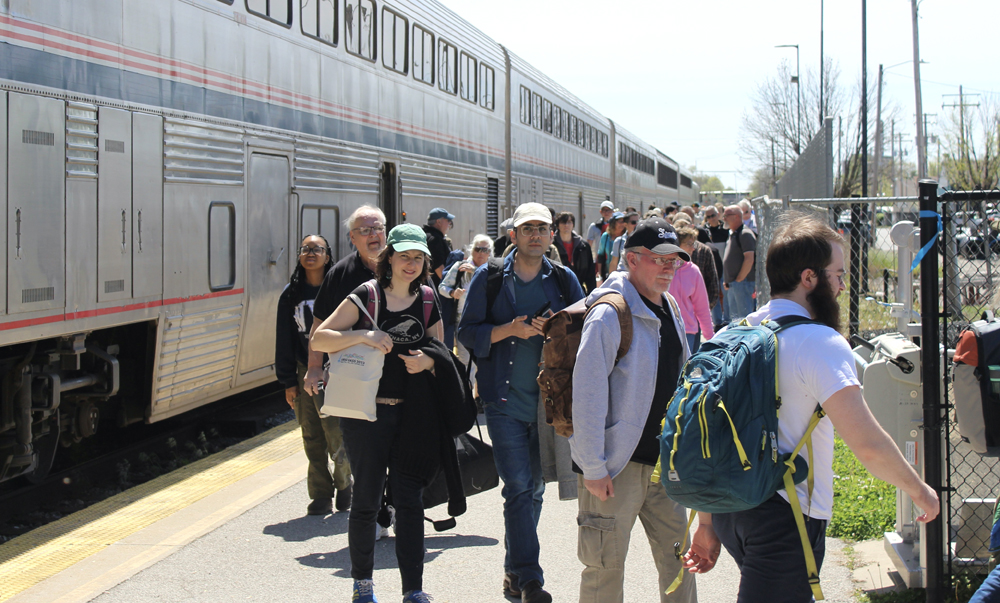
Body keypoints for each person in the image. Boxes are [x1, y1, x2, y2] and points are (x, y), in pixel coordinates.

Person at [690, 215, 939, 603]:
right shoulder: (819, 341)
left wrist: (706, 522)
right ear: (809, 278)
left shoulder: (733, 333)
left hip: (729, 507)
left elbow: (705, 429)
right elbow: (868, 443)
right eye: (837, 274)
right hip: (784, 513)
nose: (842, 285)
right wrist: (920, 491)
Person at [570, 218, 710, 603]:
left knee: (679, 567)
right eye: (659, 259)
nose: (669, 268)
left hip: (664, 468)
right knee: (604, 571)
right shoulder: (609, 314)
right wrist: (594, 468)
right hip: (616, 469)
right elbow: (586, 395)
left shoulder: (670, 307)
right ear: (632, 259)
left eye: (675, 261)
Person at [312, 224, 453, 603]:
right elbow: (320, 338)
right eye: (404, 255)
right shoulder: (366, 296)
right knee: (367, 501)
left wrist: (428, 362)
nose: (411, 263)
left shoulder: (426, 299)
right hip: (365, 416)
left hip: (413, 418)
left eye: (418, 257)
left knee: (409, 502)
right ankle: (363, 586)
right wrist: (363, 336)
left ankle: (413, 590)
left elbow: (444, 355)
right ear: (388, 257)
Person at [458, 202, 585, 603]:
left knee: (534, 489)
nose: (535, 235)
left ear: (551, 236)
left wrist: (556, 330)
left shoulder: (563, 280)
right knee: (517, 486)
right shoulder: (489, 278)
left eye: (542, 229)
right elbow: (467, 332)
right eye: (527, 228)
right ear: (513, 235)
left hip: (548, 403)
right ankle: (531, 579)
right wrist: (509, 330)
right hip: (502, 399)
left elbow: (585, 331)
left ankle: (514, 572)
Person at [275, 235, 353, 516]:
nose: (311, 254)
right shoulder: (291, 293)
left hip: (334, 370)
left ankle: (345, 486)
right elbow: (283, 338)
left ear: (327, 256)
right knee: (311, 434)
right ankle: (320, 494)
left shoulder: (338, 289)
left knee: (335, 431)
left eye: (317, 249)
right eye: (305, 249)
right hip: (302, 371)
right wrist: (287, 381)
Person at [304, 206, 387, 398]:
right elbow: (318, 323)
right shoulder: (339, 274)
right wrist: (314, 367)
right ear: (352, 238)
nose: (373, 234)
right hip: (352, 372)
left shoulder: (403, 267)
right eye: (365, 230)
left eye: (378, 228)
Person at [439, 234, 494, 375]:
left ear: (490, 253)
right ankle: (467, 394)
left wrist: (475, 272)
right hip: (463, 321)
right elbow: (442, 287)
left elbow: (496, 290)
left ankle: (481, 394)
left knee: (485, 361)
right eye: (478, 249)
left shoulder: (494, 270)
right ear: (471, 250)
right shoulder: (460, 267)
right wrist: (452, 293)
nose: (481, 253)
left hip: (487, 323)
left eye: (485, 250)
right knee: (465, 360)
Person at [669, 228, 715, 353]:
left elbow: (702, 307)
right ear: (677, 245)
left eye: (693, 244)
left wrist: (710, 337)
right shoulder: (663, 267)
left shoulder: (693, 271)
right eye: (689, 244)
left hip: (688, 331)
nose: (693, 248)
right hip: (665, 329)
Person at [722, 205, 756, 321]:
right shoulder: (734, 234)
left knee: (744, 319)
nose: (724, 218)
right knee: (736, 319)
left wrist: (739, 279)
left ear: (736, 217)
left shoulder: (745, 234)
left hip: (743, 284)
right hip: (734, 284)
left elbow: (749, 259)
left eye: (726, 215)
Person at [554, 211, 596, 293]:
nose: (566, 225)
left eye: (569, 222)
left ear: (573, 225)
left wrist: (592, 294)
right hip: (557, 291)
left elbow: (590, 273)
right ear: (558, 225)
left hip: (579, 289)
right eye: (563, 222)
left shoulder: (583, 246)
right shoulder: (551, 246)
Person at [703, 206, 730, 326]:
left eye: (713, 215)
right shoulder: (705, 232)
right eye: (708, 217)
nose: (711, 219)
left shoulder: (725, 230)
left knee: (726, 294)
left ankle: (728, 319)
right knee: (714, 293)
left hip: (724, 266)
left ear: (718, 214)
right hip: (711, 267)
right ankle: (717, 322)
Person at [423, 207, 454, 285]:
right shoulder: (435, 239)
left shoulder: (425, 236)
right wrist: (449, 286)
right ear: (438, 222)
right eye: (448, 221)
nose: (449, 224)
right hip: (436, 287)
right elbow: (439, 268)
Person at [597, 212, 625, 280]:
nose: (622, 223)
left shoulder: (626, 237)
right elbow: (601, 255)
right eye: (619, 221)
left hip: (623, 273)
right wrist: (599, 272)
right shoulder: (606, 237)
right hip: (607, 273)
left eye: (623, 221)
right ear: (613, 223)